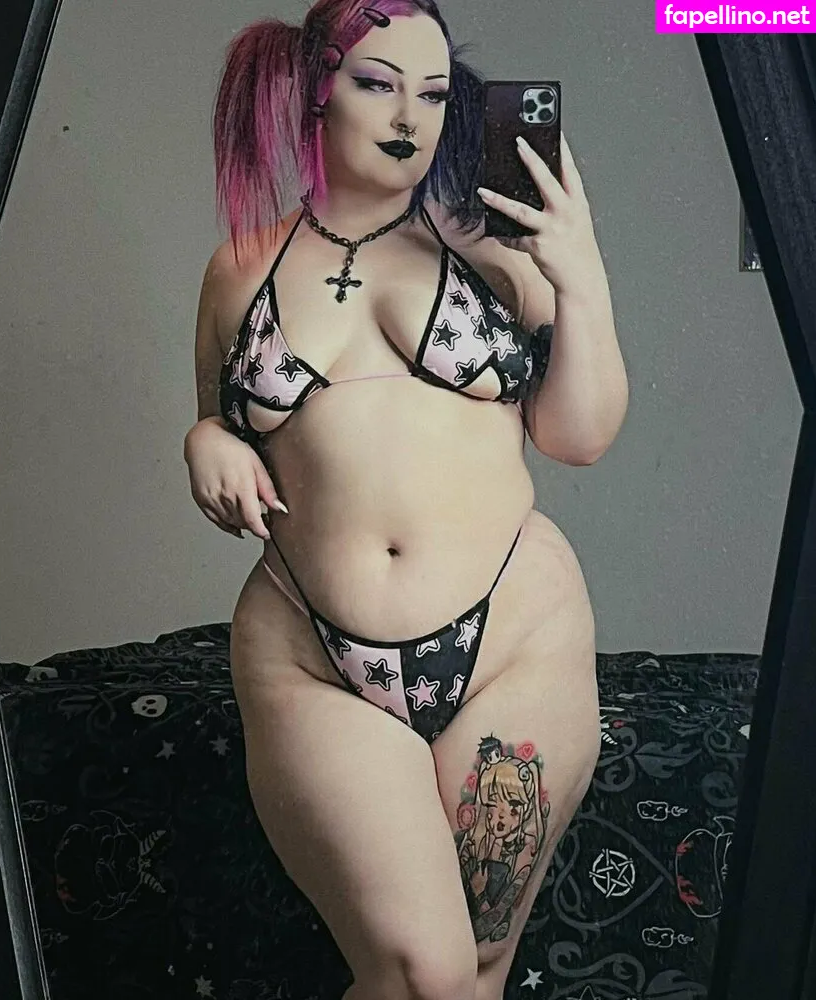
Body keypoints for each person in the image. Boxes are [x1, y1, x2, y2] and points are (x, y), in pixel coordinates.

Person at [183, 0, 628, 997]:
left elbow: (581, 434)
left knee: (473, 968)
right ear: (315, 88)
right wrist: (202, 442)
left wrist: (580, 274)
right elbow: (220, 420)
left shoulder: (493, 250)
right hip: (308, 653)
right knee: (424, 971)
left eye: (432, 94)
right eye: (377, 84)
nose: (407, 117)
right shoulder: (238, 270)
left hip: (510, 636)